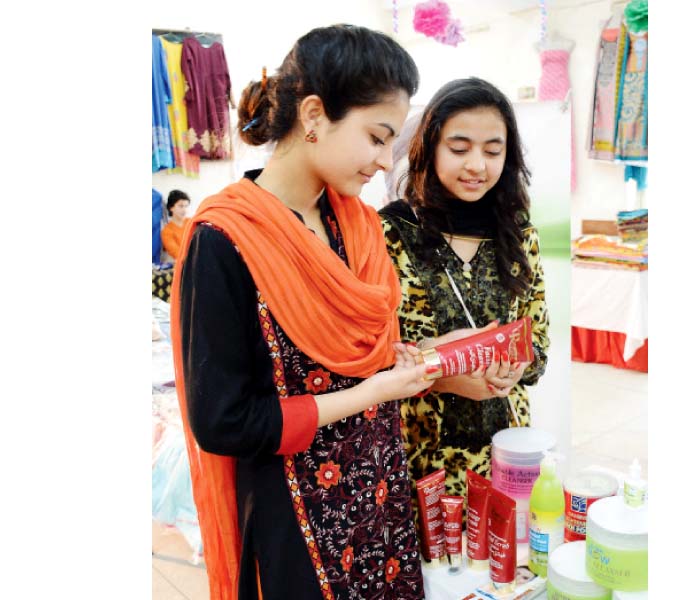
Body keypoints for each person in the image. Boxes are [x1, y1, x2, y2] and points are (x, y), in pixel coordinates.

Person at [170, 25, 431, 600]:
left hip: (379, 494)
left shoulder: (356, 224)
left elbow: (360, 349)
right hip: (297, 524)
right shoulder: (223, 240)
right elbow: (224, 421)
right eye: (376, 137)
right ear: (314, 114)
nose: (385, 162)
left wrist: (393, 360)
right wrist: (374, 391)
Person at [379, 77, 550, 506]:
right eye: (459, 149)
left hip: (505, 450)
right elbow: (371, 355)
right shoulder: (390, 232)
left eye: (493, 151)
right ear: (430, 147)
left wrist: (514, 367)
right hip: (420, 454)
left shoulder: (517, 233)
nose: (477, 165)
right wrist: (442, 377)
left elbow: (539, 344)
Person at [161, 189, 191, 261]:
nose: (184, 210)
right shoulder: (167, 231)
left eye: (186, 206)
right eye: (181, 206)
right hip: (183, 265)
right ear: (171, 208)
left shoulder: (192, 223)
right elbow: (177, 254)